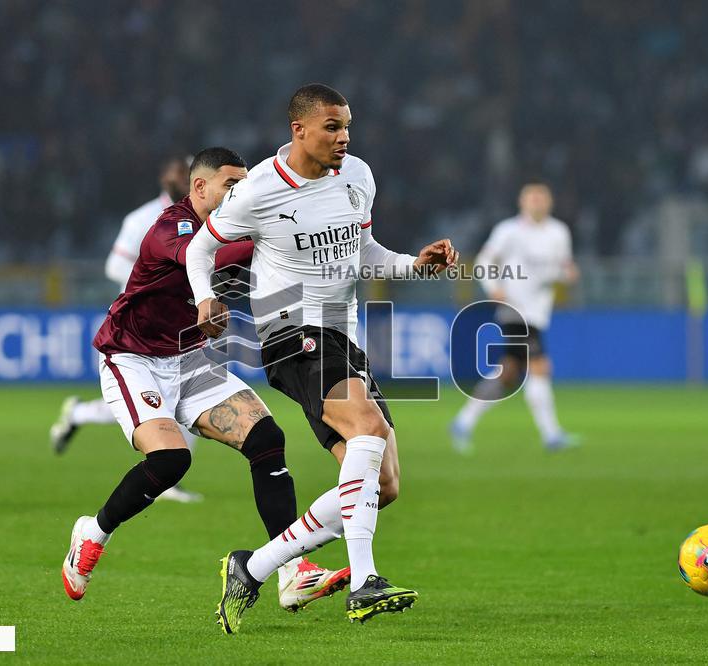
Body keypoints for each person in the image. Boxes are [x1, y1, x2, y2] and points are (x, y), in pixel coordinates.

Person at [185, 84, 458, 632]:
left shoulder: (358, 175)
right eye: (332, 127)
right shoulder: (259, 189)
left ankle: (252, 568)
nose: (344, 137)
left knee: (383, 485)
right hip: (289, 328)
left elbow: (364, 251)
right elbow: (201, 248)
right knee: (368, 424)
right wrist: (206, 298)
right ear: (299, 130)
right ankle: (364, 582)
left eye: (347, 126)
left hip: (342, 333)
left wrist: (413, 264)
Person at [61, 147, 350, 612]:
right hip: (133, 357)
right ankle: (92, 532)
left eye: (246, 186)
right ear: (200, 188)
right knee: (172, 459)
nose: (242, 195)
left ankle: (292, 572)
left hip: (191, 360)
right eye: (231, 186)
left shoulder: (239, 225)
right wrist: (272, 234)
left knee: (267, 439)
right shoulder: (169, 228)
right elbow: (203, 254)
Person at [49, 157, 203, 502]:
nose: (184, 178)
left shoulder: (199, 219)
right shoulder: (141, 218)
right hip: (136, 329)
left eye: (189, 173)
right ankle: (78, 413)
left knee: (177, 402)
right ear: (165, 176)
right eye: (179, 172)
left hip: (178, 323)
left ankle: (77, 413)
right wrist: (152, 279)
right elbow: (114, 264)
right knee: (146, 407)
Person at [450, 181, 580, 453]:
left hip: (538, 311)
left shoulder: (559, 232)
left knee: (508, 373)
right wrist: (493, 287)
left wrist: (567, 275)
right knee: (540, 366)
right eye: (531, 198)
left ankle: (463, 421)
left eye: (541, 198)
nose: (537, 202)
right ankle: (551, 435)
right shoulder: (509, 231)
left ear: (549, 202)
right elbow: (485, 261)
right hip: (514, 309)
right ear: (522, 202)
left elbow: (561, 268)